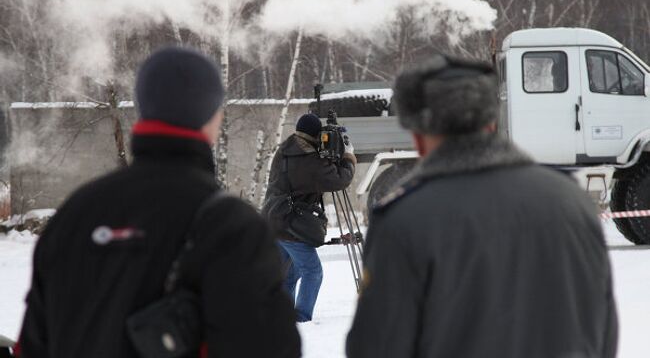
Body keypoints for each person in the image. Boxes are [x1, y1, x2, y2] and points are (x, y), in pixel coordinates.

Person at [18, 47, 300, 358]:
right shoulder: (231, 226)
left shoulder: (74, 214)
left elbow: (31, 345)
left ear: (143, 108)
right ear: (213, 114)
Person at [346, 55, 618, 358]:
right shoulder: (572, 200)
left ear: (418, 134)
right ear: (491, 121)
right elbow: (603, 332)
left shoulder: (404, 220)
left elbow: (376, 347)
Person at [262, 113, 356, 322]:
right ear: (315, 135)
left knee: (290, 274)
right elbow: (339, 180)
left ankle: (283, 317)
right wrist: (348, 157)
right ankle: (301, 319)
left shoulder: (286, 149)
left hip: (274, 219)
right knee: (313, 272)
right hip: (290, 225)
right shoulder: (309, 161)